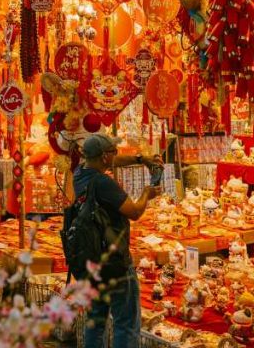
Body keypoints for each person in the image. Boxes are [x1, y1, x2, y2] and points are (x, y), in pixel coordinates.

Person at [74, 133, 161, 348]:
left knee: (96, 319)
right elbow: (133, 212)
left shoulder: (80, 174)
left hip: (91, 259)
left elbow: (115, 161)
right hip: (114, 262)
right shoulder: (104, 183)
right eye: (114, 153)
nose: (116, 157)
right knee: (126, 322)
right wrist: (146, 195)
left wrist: (140, 159)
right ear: (104, 157)